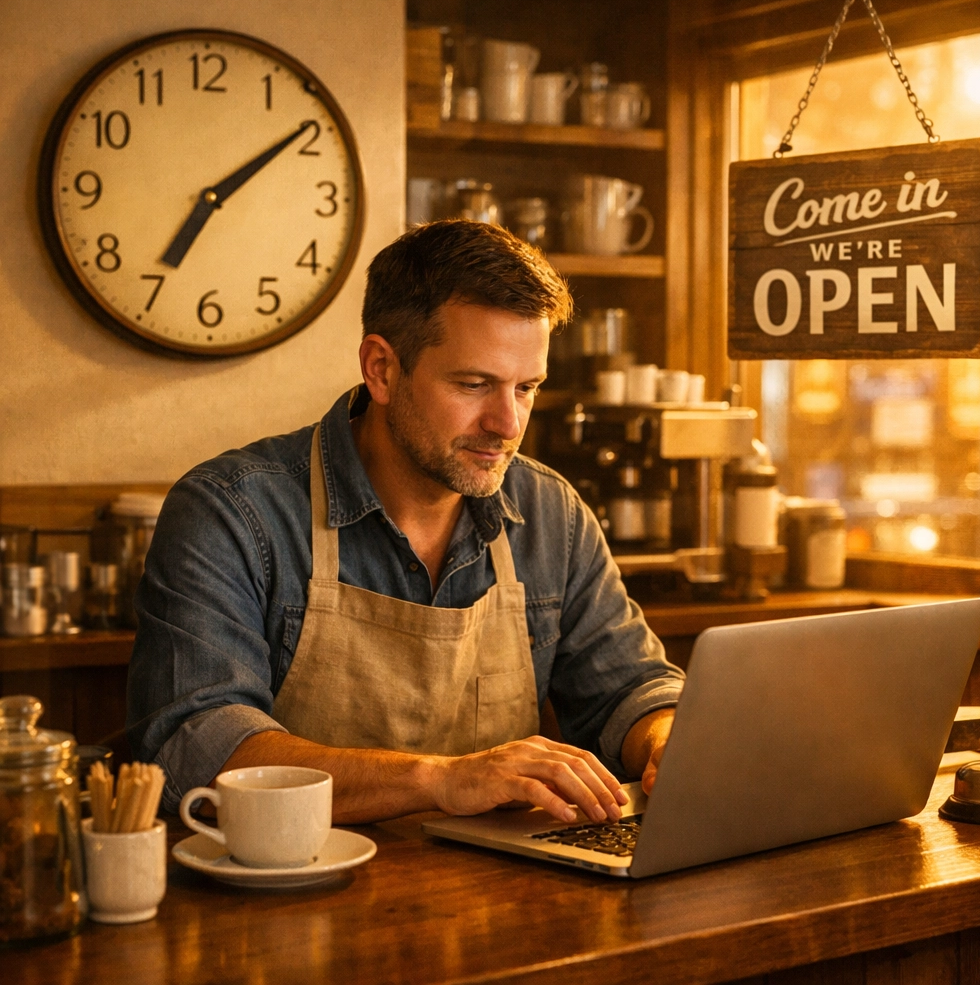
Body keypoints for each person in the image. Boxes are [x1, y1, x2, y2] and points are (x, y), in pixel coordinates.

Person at [127, 219, 683, 826]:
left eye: (527, 388)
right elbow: (202, 747)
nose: (508, 423)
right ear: (382, 369)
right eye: (474, 384)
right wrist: (441, 779)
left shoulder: (553, 515)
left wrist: (666, 740)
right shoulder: (231, 513)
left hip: (500, 901)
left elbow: (629, 687)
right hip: (287, 906)